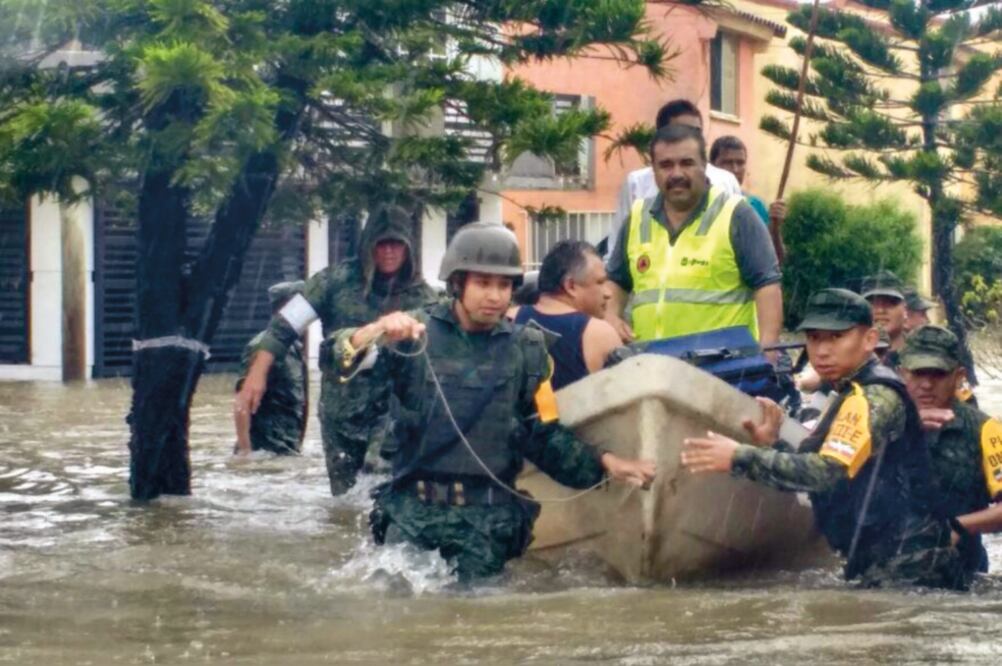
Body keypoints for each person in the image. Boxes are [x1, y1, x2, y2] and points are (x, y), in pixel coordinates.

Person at [325, 222, 656, 582]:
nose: (495, 296)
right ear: (457, 283)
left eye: (503, 285)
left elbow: (541, 434)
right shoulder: (413, 334)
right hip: (412, 516)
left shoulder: (528, 349)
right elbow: (334, 359)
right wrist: (369, 333)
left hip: (486, 526)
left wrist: (606, 462)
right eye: (483, 283)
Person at [681, 288, 967, 590]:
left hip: (910, 573)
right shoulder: (850, 390)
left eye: (836, 337)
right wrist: (773, 442)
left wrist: (739, 456)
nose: (822, 351)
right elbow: (827, 472)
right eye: (815, 338)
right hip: (886, 564)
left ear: (870, 340)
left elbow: (825, 473)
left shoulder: (872, 396)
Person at [233, 205, 438, 496]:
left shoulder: (424, 296)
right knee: (345, 502)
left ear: (409, 248)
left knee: (382, 486)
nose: (389, 252)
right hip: (341, 411)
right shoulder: (332, 282)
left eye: (397, 244)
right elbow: (284, 326)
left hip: (393, 410)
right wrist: (257, 375)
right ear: (368, 246)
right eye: (382, 244)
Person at [605, 124, 783, 354]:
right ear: (654, 171)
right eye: (666, 165)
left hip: (722, 370)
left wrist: (767, 355)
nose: (677, 174)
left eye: (687, 163)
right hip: (651, 367)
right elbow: (615, 281)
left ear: (704, 166)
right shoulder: (638, 217)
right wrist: (610, 316)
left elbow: (767, 286)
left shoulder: (736, 214)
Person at [899, 324, 1002, 575]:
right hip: (880, 570)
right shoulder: (879, 422)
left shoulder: (986, 430)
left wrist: (957, 527)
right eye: (918, 373)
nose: (926, 384)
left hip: (959, 577)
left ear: (959, 376)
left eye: (937, 374)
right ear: (902, 374)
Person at [609, 99, 741, 259]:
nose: (677, 175)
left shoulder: (725, 181)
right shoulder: (636, 183)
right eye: (682, 131)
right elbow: (616, 249)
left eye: (697, 132)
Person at [512, 240, 622, 389]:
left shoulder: (508, 319)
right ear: (570, 286)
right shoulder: (599, 334)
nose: (608, 293)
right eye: (600, 282)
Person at [234, 281, 308, 456]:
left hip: (287, 451)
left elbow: (302, 401)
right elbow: (241, 403)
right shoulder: (261, 346)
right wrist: (245, 452)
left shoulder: (296, 347)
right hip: (264, 450)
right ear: (285, 308)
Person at [709, 135, 787, 263]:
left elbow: (776, 259)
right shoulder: (701, 204)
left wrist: (775, 227)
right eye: (727, 163)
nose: (735, 169)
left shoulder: (755, 205)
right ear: (712, 166)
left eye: (740, 163)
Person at [861, 270, 907, 370]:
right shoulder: (850, 358)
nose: (880, 310)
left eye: (890, 302)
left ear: (905, 310)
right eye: (872, 303)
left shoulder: (924, 354)